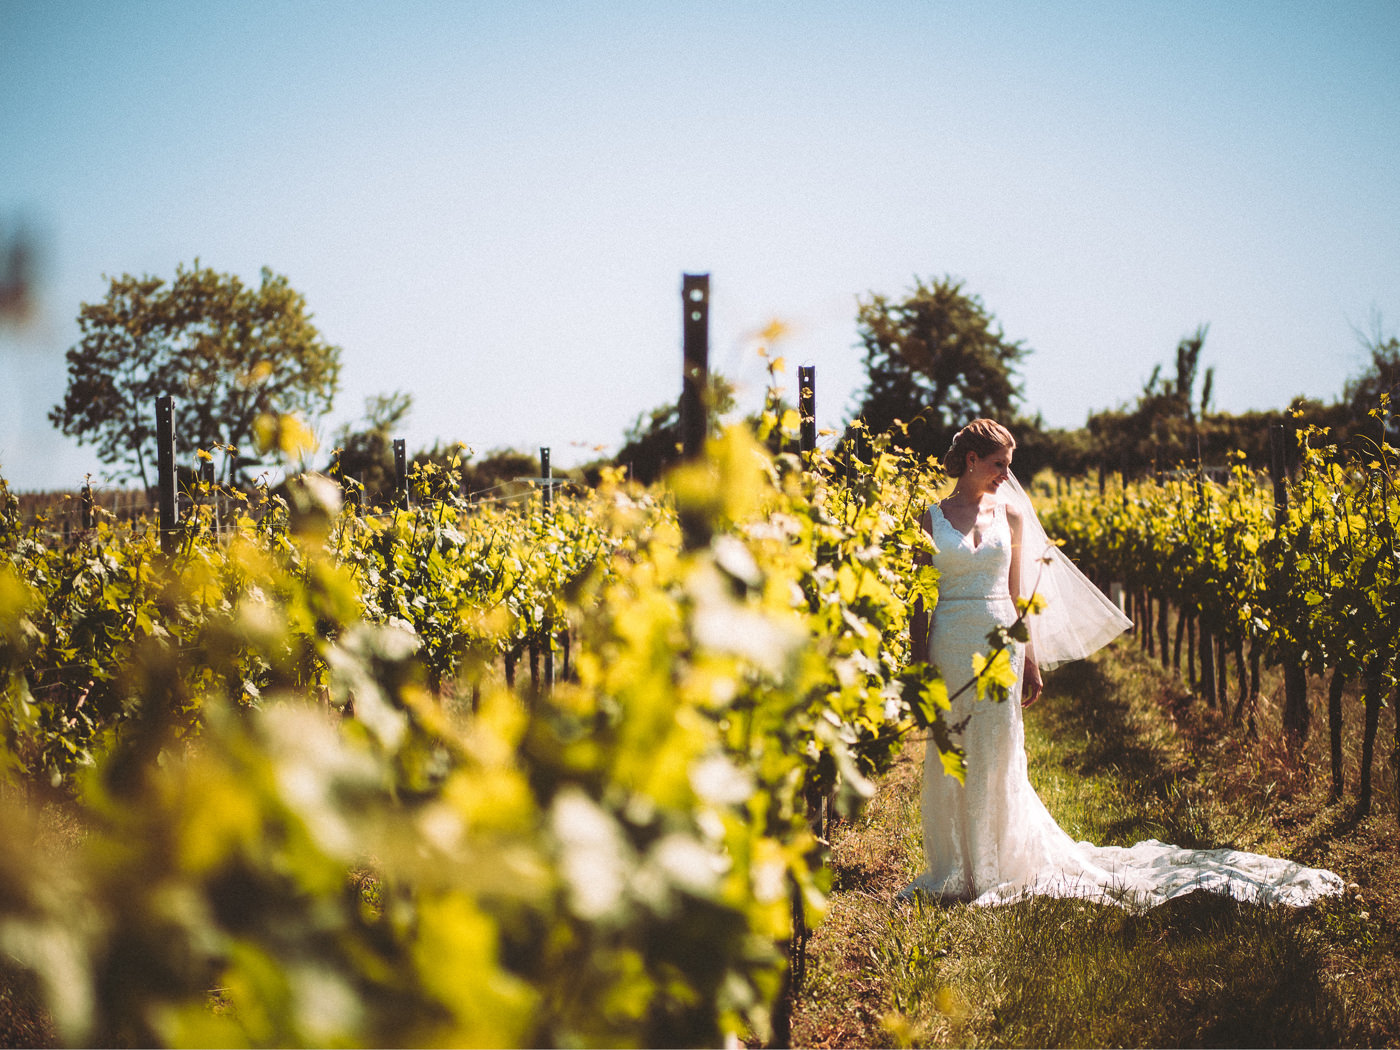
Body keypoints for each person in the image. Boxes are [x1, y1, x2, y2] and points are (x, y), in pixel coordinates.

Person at [901, 419, 1343, 911]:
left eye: (1010, 464)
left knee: (999, 748)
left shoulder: (1011, 517)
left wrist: (1030, 659)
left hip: (1001, 639)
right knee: (952, 748)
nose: (1008, 473)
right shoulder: (930, 520)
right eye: (999, 464)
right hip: (952, 642)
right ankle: (955, 867)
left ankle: (995, 863)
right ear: (971, 461)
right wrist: (919, 663)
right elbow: (920, 602)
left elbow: (1018, 593)